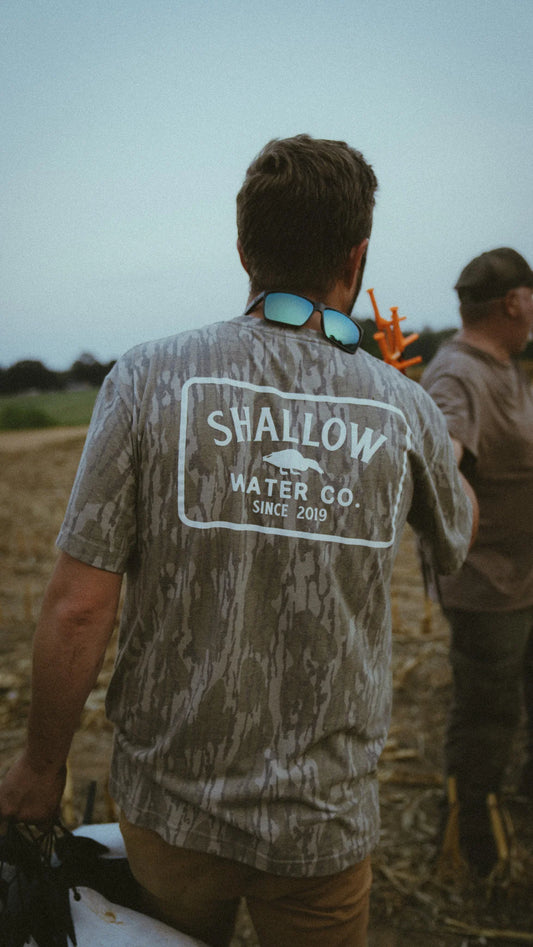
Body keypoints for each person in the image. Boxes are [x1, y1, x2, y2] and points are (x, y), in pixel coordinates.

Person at [0, 135, 476, 947]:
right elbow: (456, 534)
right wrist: (436, 443)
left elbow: (80, 606)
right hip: (321, 824)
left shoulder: (147, 377)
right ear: (357, 256)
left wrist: (40, 769)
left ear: (243, 248)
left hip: (172, 810)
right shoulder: (401, 405)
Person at [421, 247, 533, 877]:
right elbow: (443, 463)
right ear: (514, 301)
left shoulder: (505, 365)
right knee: (488, 715)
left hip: (525, 577)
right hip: (490, 586)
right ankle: (471, 847)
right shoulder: (457, 374)